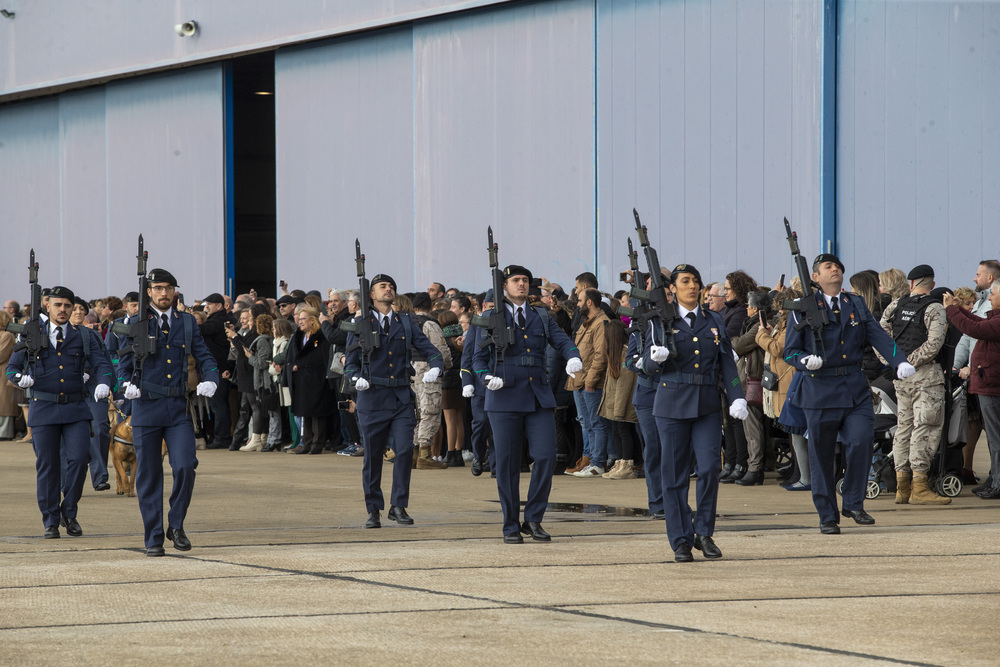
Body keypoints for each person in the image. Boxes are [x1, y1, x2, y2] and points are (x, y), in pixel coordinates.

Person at [784, 254, 913, 534]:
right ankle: (827, 515)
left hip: (854, 387)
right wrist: (804, 360)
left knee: (863, 439)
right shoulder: (802, 308)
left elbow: (876, 334)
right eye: (828, 267)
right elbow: (790, 350)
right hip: (820, 389)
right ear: (815, 277)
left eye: (838, 267)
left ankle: (853, 502)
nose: (835, 270)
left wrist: (898, 360)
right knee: (822, 456)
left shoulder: (854, 303)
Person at [644, 265, 748, 562]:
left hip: (706, 404)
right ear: (672, 288)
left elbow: (727, 362)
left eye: (695, 281)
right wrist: (655, 360)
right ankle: (680, 539)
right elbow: (645, 366)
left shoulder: (713, 320)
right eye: (685, 281)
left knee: (710, 469)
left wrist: (736, 395)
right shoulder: (659, 320)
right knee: (675, 475)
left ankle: (703, 531)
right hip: (672, 405)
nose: (692, 286)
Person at [473, 265, 582, 543]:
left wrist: (572, 355)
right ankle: (510, 524)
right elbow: (477, 360)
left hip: (537, 394)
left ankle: (533, 518)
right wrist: (486, 378)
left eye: (525, 280)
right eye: (515, 280)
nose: (522, 284)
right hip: (505, 394)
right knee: (508, 463)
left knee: (546, 456)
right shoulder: (489, 317)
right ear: (504, 286)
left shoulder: (541, 316)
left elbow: (562, 341)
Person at [117, 269, 219, 556]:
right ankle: (153, 536)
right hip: (146, 406)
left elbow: (204, 354)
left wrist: (211, 377)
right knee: (148, 475)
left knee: (186, 465)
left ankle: (176, 524)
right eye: (158, 288)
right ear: (149, 292)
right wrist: (125, 385)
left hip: (177, 408)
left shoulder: (186, 321)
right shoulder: (136, 322)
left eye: (169, 288)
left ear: (175, 291)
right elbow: (121, 364)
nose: (164, 293)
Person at [6, 286, 114, 538]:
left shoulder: (84, 336)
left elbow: (102, 364)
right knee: (48, 465)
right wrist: (20, 378)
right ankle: (51, 520)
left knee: (79, 459)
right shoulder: (31, 335)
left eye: (68, 305)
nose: (63, 310)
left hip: (76, 408)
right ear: (48, 307)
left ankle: (69, 510)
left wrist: (104, 382)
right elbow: (11, 368)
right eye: (58, 305)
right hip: (44, 408)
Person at [345, 274, 444, 529]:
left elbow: (431, 349)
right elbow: (350, 363)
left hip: (400, 397)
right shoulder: (361, 323)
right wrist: (356, 379)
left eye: (391, 287)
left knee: (403, 451)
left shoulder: (406, 322)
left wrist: (436, 366)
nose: (388, 289)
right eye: (382, 286)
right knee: (373, 456)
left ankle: (398, 505)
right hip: (372, 397)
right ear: (371, 295)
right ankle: (373, 508)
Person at [877, 265, 951, 505]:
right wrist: (910, 362)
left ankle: (902, 487)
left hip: (900, 379)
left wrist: (895, 362)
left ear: (911, 284)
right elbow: (934, 344)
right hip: (926, 379)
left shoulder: (895, 306)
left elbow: (879, 336)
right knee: (925, 427)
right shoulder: (934, 307)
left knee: (903, 427)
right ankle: (919, 486)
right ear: (931, 282)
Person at [943, 283, 1000, 499]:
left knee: (996, 439)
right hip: (989, 385)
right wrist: (957, 310)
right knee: (994, 439)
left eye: (993, 294)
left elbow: (974, 329)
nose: (990, 297)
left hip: (992, 386)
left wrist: (950, 311)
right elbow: (978, 323)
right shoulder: (994, 319)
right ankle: (994, 479)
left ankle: (998, 483)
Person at [565, 288, 611, 477]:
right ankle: (589, 459)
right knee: (585, 422)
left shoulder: (602, 322)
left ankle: (598, 463)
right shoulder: (586, 323)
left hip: (591, 383)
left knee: (596, 423)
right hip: (579, 381)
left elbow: (601, 355)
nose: (577, 304)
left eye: (580, 300)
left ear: (589, 302)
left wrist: (590, 381)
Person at [284, 307, 333, 455]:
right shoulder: (298, 336)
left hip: (317, 379)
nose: (299, 321)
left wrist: (303, 364)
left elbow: (322, 358)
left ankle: (317, 444)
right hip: (301, 380)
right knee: (305, 412)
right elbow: (292, 355)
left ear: (312, 320)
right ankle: (306, 443)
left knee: (317, 413)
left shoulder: (322, 336)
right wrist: (292, 366)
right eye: (299, 318)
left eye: (303, 318)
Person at [598, 319, 640, 479]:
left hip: (623, 405)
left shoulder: (624, 354)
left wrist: (618, 411)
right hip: (615, 404)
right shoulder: (614, 355)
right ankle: (620, 461)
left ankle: (627, 464)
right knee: (616, 431)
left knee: (624, 431)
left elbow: (624, 387)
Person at [460, 289, 495, 477]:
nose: (492, 311)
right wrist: (467, 381)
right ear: (483, 306)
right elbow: (468, 356)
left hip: (500, 381)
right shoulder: (476, 323)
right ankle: (479, 455)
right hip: (480, 383)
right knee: (480, 423)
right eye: (490, 307)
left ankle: (497, 468)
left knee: (498, 428)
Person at [200, 293, 233, 449]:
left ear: (219, 306)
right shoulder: (219, 319)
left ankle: (222, 437)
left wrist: (184, 316)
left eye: (210, 304)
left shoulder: (218, 321)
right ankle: (221, 436)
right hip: (219, 367)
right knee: (219, 404)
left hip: (220, 368)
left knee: (218, 404)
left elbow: (202, 330)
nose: (207, 307)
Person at [437, 309, 466, 467]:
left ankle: (449, 453)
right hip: (461, 380)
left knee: (449, 420)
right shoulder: (461, 337)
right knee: (459, 419)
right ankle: (458, 453)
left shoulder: (443, 339)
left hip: (447, 381)